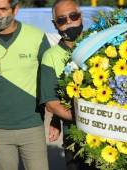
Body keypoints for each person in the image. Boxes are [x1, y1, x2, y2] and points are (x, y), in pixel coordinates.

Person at [0, 0, 72, 170]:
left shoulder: (36, 36)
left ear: (15, 9)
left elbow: (51, 81)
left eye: (3, 9)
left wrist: (56, 119)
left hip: (33, 126)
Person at [40, 0, 96, 169]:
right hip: (76, 137)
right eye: (62, 20)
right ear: (55, 24)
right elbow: (52, 103)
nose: (69, 22)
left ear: (81, 16)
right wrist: (89, 119)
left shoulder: (100, 44)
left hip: (112, 134)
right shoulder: (50, 57)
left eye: (73, 16)